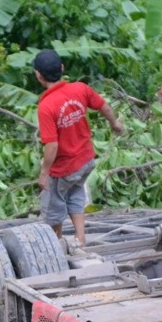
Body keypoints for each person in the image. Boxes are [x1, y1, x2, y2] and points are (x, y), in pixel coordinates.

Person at [33, 49, 125, 248]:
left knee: (53, 205)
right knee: (75, 194)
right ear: (62, 68)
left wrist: (44, 173)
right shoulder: (80, 88)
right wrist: (114, 123)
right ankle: (80, 238)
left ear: (38, 75)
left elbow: (52, 145)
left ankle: (57, 244)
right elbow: (104, 106)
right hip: (86, 161)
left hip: (63, 168)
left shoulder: (46, 106)